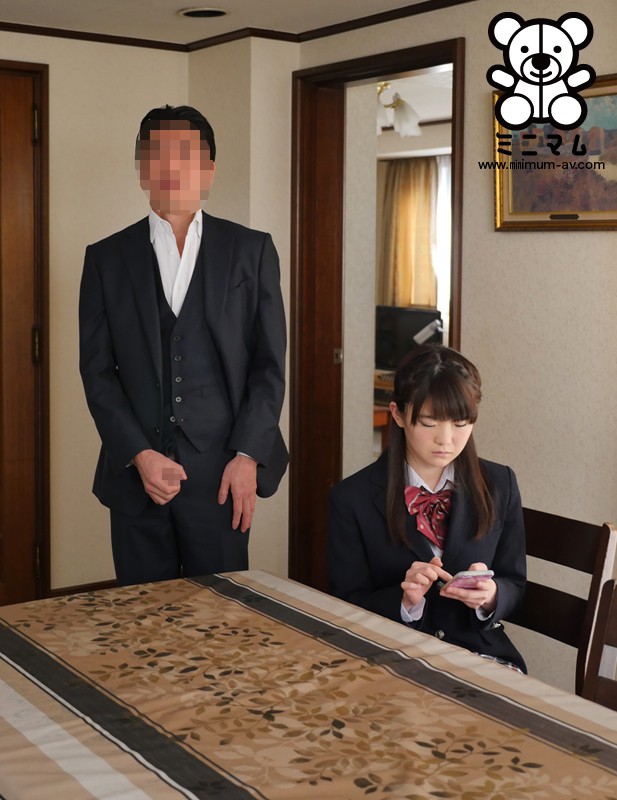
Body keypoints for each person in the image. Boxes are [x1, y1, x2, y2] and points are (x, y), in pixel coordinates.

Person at [79, 105, 287, 586]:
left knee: (221, 609)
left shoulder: (251, 250)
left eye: (186, 155)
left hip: (224, 474)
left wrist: (248, 456)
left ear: (208, 169)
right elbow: (97, 373)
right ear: (141, 168)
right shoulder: (105, 258)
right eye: (157, 154)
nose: (171, 167)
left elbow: (269, 367)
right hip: (137, 474)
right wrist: (139, 453)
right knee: (141, 612)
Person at [328, 344, 526, 672]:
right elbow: (346, 603)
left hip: (478, 655)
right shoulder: (352, 498)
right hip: (388, 657)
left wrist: (491, 596)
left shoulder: (500, 484)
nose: (445, 440)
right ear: (398, 414)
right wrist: (405, 602)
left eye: (460, 423)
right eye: (429, 423)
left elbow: (515, 583)